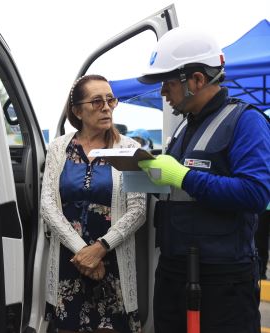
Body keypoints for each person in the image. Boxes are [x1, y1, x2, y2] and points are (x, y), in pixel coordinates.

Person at [136, 27, 270, 333]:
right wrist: (149, 178)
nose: (163, 93)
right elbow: (178, 191)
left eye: (167, 83)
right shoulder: (185, 127)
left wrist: (183, 176)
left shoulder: (246, 121)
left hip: (222, 280)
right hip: (173, 271)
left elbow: (255, 193)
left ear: (196, 80)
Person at [41, 74, 146, 333]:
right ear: (77, 110)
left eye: (110, 100)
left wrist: (100, 249)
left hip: (112, 265)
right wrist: (83, 252)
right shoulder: (58, 149)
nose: (107, 107)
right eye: (97, 101)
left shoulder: (130, 148)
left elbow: (138, 210)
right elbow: (48, 205)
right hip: (69, 261)